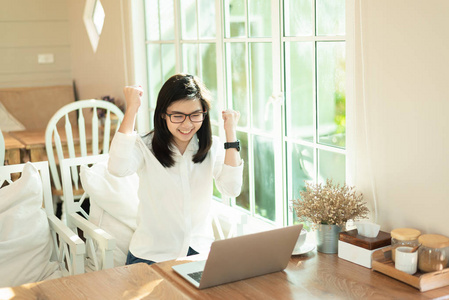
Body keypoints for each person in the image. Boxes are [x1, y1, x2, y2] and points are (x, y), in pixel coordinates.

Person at [108, 73, 244, 265]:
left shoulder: (211, 147)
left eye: (195, 115)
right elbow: (117, 168)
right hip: (151, 256)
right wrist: (132, 109)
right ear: (163, 114)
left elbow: (232, 189)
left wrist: (231, 133)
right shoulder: (145, 146)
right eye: (178, 116)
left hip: (199, 252)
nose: (187, 124)